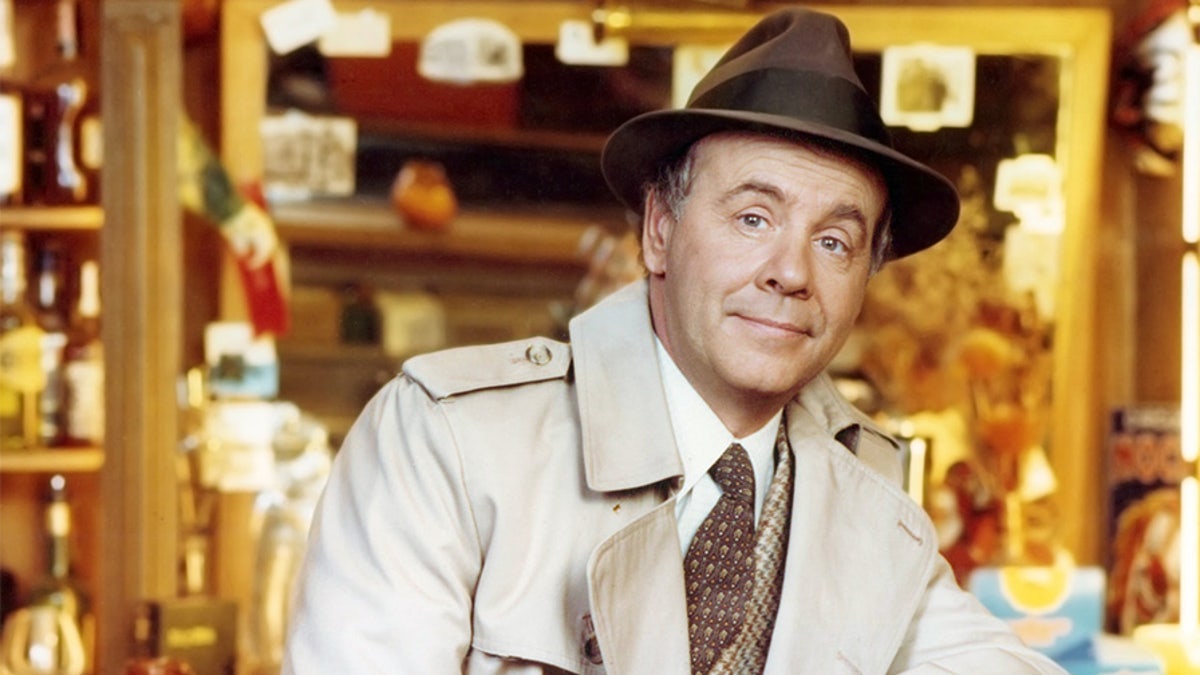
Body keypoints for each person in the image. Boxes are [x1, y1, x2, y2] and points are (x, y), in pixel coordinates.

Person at [283, 8, 1066, 674]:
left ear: (865, 277)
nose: (790, 272)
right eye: (753, 218)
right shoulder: (448, 441)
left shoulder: (876, 516)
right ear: (659, 230)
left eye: (835, 241)